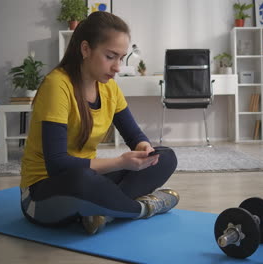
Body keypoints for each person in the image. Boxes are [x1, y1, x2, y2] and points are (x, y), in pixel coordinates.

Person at [19, 11, 179, 235]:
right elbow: (57, 165)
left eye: (121, 58)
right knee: (83, 180)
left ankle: (103, 211)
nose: (117, 67)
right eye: (110, 56)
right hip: (43, 194)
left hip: (88, 181)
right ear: (85, 49)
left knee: (165, 157)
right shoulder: (57, 86)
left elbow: (134, 136)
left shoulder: (109, 87)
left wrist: (145, 150)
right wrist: (120, 162)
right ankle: (141, 208)